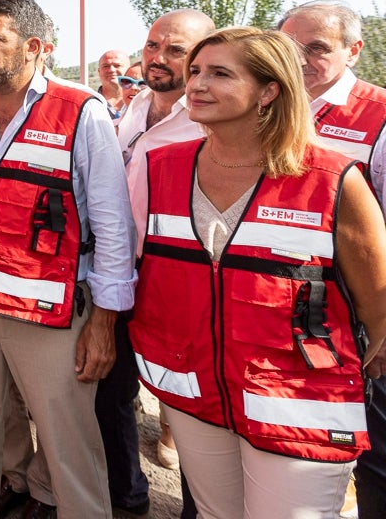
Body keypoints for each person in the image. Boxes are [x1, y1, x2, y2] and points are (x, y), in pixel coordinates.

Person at [129, 26, 386, 518]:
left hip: (295, 407)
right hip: (195, 394)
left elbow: (377, 310)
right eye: (197, 71)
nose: (196, 84)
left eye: (220, 74)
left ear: (270, 90)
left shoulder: (333, 180)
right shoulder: (160, 166)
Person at [0, 0, 137, 519]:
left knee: (70, 450)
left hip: (52, 313)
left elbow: (113, 224)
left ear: (35, 47)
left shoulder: (82, 111)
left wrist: (105, 322)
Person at [100, 8, 216, 517]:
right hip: (119, 274)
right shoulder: (135, 104)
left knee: (193, 409)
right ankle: (125, 497)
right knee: (110, 392)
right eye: (152, 46)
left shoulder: (213, 117)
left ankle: (199, 507)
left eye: (175, 50)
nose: (159, 58)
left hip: (180, 285)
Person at [278, 1, 386, 518]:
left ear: (354, 50)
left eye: (317, 48)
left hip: (360, 321)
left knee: (376, 456)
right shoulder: (267, 104)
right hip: (284, 313)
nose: (300, 59)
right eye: (290, 45)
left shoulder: (378, 114)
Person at [97, 49, 131, 120]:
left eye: (117, 65)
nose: (111, 70)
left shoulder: (141, 102)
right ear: (99, 71)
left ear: (129, 70)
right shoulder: (89, 103)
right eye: (106, 66)